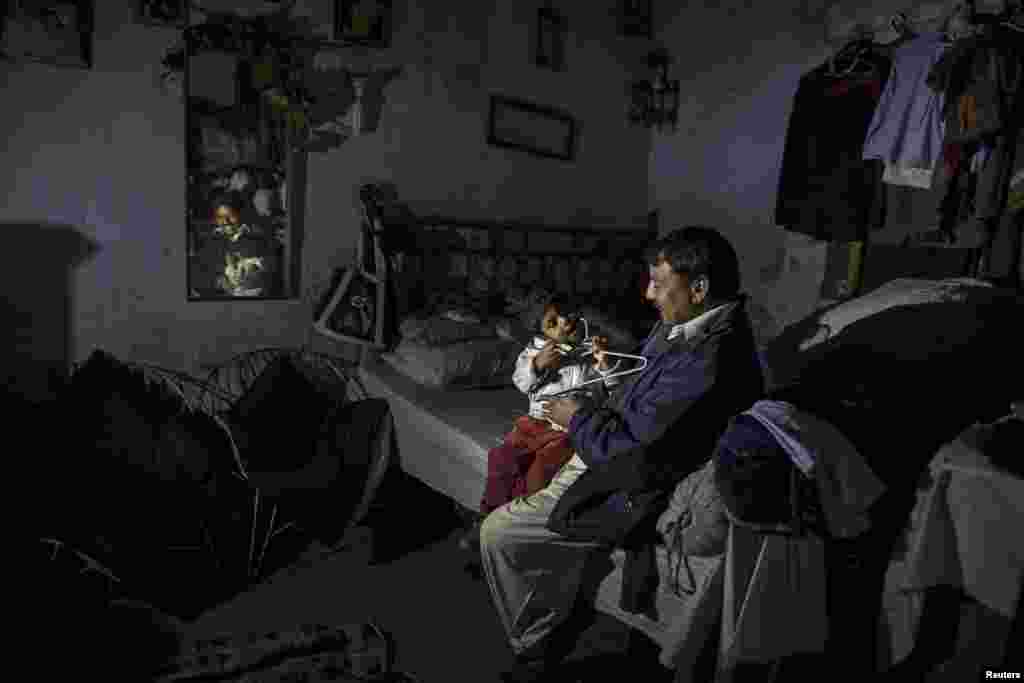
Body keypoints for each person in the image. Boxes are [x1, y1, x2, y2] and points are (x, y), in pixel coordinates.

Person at [478, 226, 765, 683]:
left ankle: (533, 645)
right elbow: (644, 399)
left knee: (497, 534)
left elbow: (632, 455)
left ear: (699, 288)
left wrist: (577, 419)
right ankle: (554, 600)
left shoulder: (709, 358)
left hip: (623, 476)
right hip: (604, 443)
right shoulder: (689, 327)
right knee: (519, 463)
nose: (648, 294)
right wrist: (605, 390)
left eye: (658, 283)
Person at [459, 295, 616, 552]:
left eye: (569, 321)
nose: (562, 327)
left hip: (565, 432)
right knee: (501, 458)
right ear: (540, 328)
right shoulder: (533, 351)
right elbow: (521, 382)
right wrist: (537, 364)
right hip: (532, 424)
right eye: (552, 323)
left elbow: (613, 391)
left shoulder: (591, 357)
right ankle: (488, 516)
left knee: (540, 470)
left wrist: (607, 366)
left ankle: (514, 523)